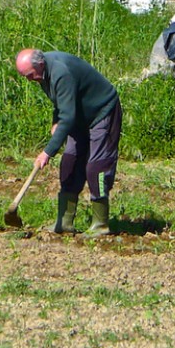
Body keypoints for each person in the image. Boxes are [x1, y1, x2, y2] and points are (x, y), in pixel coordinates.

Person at [15, 48, 122, 236]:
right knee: (70, 163)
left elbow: (68, 116)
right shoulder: (42, 73)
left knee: (96, 167)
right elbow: (62, 102)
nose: (29, 80)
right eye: (26, 77)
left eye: (30, 76)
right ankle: (64, 222)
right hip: (79, 116)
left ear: (39, 65)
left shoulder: (60, 72)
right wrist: (56, 120)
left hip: (102, 111)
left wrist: (47, 152)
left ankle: (100, 224)